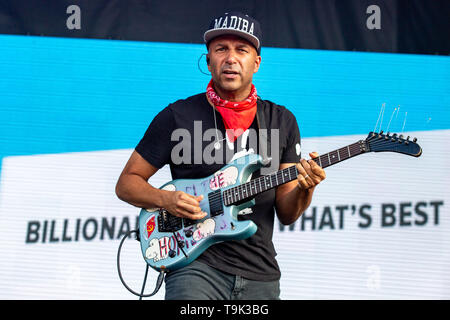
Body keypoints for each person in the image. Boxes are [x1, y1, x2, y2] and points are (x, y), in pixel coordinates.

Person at [115, 11, 326, 300]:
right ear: (208, 59)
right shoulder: (177, 116)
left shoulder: (281, 121)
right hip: (194, 266)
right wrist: (166, 199)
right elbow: (127, 182)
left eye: (242, 50)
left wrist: (306, 186)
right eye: (221, 49)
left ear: (256, 62)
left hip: (260, 272)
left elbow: (288, 213)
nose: (230, 58)